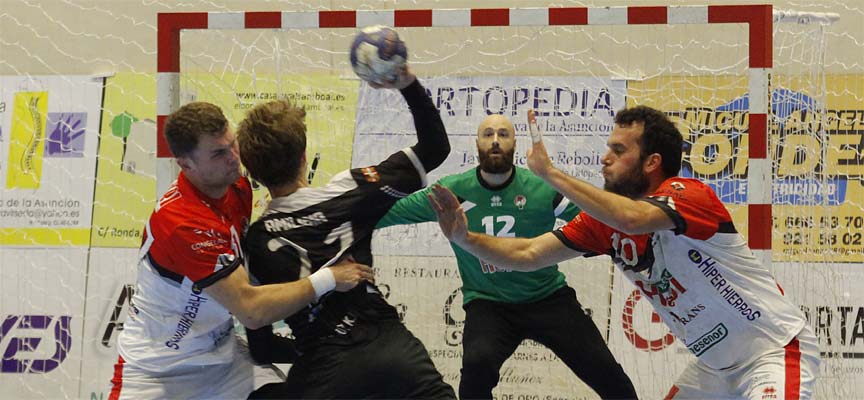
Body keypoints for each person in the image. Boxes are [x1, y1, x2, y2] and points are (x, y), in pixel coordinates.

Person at [428, 106, 820, 399]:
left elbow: (634, 219)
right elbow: (528, 252)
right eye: (607, 148)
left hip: (774, 350)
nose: (605, 158)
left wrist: (551, 175)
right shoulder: (603, 223)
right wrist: (465, 238)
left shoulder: (691, 196)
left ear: (652, 162)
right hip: (716, 368)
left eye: (619, 150)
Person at [109, 102, 374, 399]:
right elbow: (251, 310)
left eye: (232, 144)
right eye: (219, 153)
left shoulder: (237, 187)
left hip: (223, 360)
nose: (234, 158)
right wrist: (329, 279)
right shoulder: (182, 222)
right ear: (186, 164)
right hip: (159, 371)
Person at [377, 114, 638, 399]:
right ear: (476, 143)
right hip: (488, 304)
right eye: (487, 134)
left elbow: (598, 221)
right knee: (476, 369)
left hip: (547, 298)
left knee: (608, 374)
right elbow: (386, 212)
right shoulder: (451, 193)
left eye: (503, 134)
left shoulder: (541, 189)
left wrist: (634, 232)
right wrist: (340, 214)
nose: (496, 141)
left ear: (515, 143)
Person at [237, 66, 456, 399]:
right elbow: (436, 147)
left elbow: (263, 347)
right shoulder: (350, 190)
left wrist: (305, 352)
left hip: (325, 369)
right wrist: (407, 84)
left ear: (252, 173)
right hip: (392, 350)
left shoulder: (254, 240)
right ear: (303, 156)